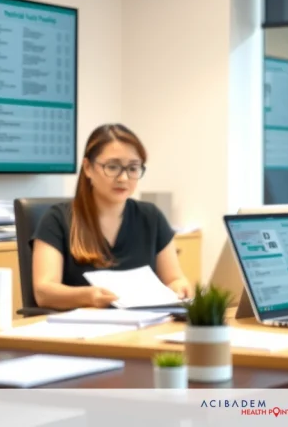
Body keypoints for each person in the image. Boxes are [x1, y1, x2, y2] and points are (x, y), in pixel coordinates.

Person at [31, 123, 193, 310]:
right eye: (113, 167)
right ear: (88, 168)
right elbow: (44, 292)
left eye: (133, 168)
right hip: (83, 331)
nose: (123, 178)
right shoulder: (57, 219)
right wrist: (89, 296)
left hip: (144, 328)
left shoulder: (151, 217)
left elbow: (174, 278)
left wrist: (179, 287)